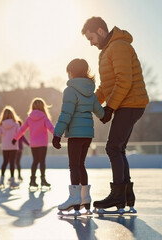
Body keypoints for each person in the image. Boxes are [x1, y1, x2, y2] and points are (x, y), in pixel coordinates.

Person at [81, 17, 149, 211]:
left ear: (101, 31)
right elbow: (106, 86)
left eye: (91, 37)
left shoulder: (118, 46)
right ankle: (126, 195)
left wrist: (109, 108)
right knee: (117, 148)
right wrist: (90, 103)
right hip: (126, 103)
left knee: (113, 147)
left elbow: (124, 81)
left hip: (131, 103)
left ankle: (118, 195)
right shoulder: (106, 52)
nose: (91, 42)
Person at [52, 59, 104, 215]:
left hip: (75, 134)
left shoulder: (70, 90)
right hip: (87, 134)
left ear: (72, 72)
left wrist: (57, 134)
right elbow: (101, 113)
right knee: (81, 165)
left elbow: (66, 114)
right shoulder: (90, 91)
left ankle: (75, 200)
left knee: (74, 165)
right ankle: (85, 199)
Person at [12, 98, 54, 188]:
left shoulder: (29, 118)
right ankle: (43, 180)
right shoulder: (44, 118)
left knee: (35, 161)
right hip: (42, 143)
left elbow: (22, 129)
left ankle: (32, 181)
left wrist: (15, 138)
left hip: (34, 144)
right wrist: (58, 135)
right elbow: (51, 128)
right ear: (43, 107)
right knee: (42, 162)